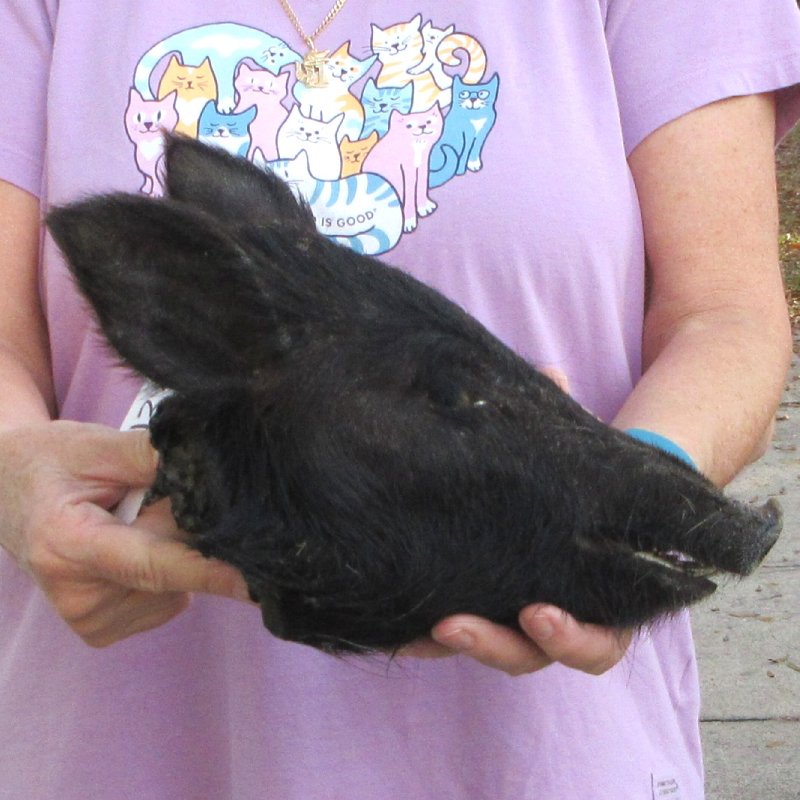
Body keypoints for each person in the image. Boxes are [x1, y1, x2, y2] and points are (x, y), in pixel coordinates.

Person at [1, 1, 799, 797]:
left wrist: (634, 479)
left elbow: (723, 316)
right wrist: (16, 470)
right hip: (124, 742)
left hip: (549, 753)